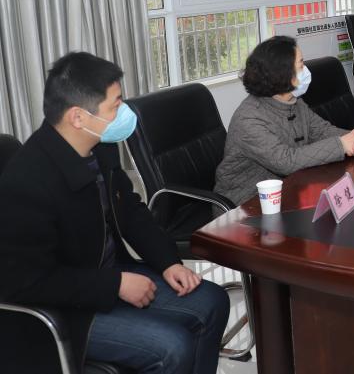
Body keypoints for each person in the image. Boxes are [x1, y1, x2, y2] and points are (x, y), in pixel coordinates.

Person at [0, 52, 229, 374]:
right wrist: (115, 284)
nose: (124, 112)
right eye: (115, 105)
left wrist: (168, 262)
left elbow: (131, 211)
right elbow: (27, 282)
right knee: (172, 347)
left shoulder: (99, 148)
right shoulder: (27, 181)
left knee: (212, 302)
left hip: (107, 275)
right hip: (66, 310)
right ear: (78, 117)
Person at [215, 36, 354, 205]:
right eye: (301, 65)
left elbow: (320, 130)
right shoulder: (248, 119)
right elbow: (286, 161)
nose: (306, 70)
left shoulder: (293, 101)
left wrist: (353, 138)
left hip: (289, 187)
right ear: (281, 74)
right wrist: (341, 145)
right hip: (247, 202)